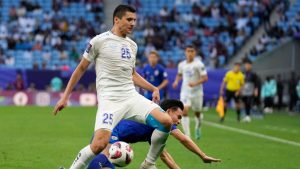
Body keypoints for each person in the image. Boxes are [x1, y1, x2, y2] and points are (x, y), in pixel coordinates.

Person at [52, 5, 173, 169]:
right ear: (117, 19)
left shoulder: (132, 45)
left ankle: (148, 163)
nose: (133, 23)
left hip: (131, 97)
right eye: (129, 19)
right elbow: (80, 68)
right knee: (99, 145)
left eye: (135, 20)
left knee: (166, 121)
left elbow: (132, 74)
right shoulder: (99, 41)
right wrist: (65, 96)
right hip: (110, 100)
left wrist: (153, 88)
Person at [88, 99, 221, 169]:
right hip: (109, 133)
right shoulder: (161, 118)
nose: (179, 121)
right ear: (169, 111)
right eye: (179, 117)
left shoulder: (157, 129)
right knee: (102, 161)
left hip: (111, 135)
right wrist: (202, 155)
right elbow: (183, 139)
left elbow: (164, 156)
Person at [172, 45, 208, 139]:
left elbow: (205, 78)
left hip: (197, 92)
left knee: (197, 113)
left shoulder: (199, 64)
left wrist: (195, 83)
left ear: (195, 53)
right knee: (184, 111)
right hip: (185, 92)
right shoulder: (182, 64)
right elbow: (179, 74)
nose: (190, 53)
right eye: (188, 51)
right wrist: (176, 81)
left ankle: (198, 127)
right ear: (185, 52)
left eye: (192, 51)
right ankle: (187, 135)